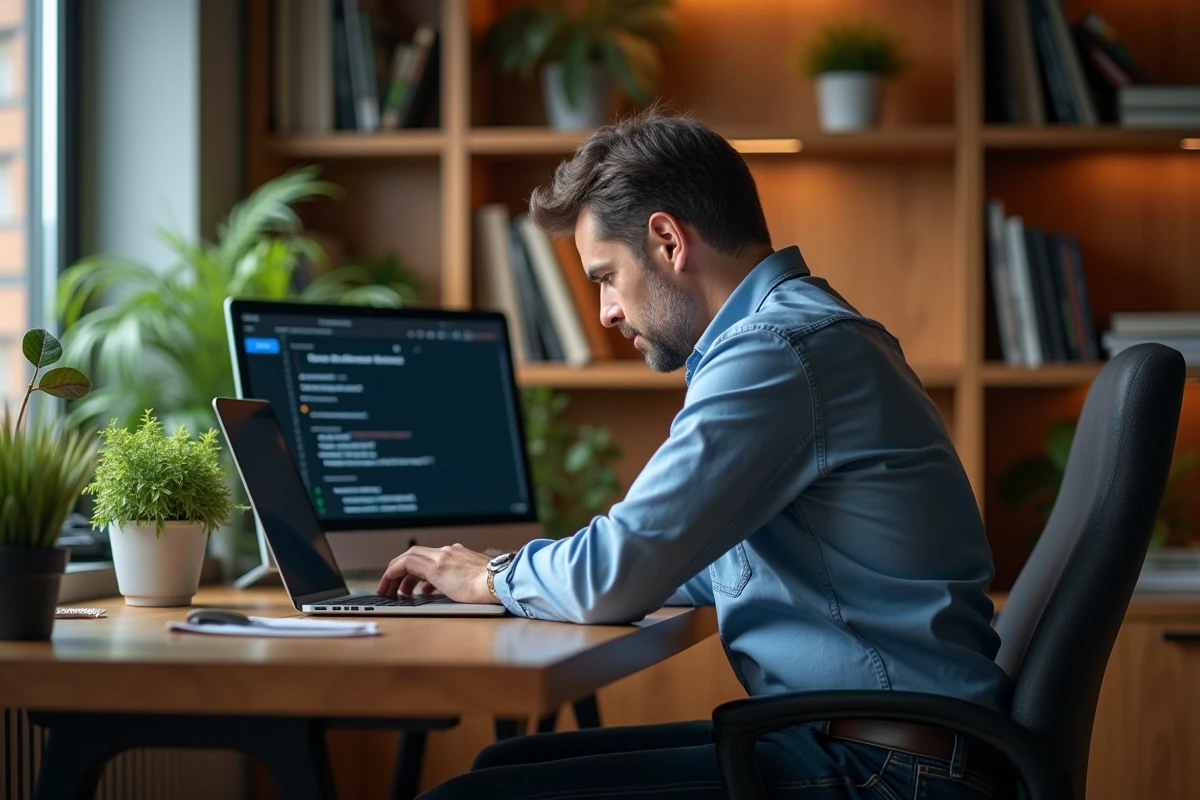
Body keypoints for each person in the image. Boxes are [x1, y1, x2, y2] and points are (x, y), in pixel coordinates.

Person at [378, 108, 1013, 799]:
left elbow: (617, 573)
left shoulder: (778, 353)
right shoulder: (804, 338)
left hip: (893, 772)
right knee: (500, 769)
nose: (606, 314)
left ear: (667, 241)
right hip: (880, 745)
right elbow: (684, 564)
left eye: (605, 278)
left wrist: (494, 577)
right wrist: (585, 571)